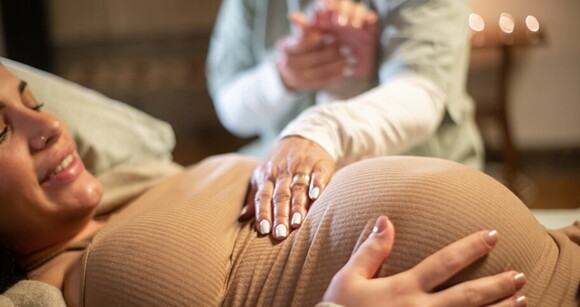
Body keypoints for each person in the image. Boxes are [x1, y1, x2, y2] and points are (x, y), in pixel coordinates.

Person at [0, 62, 578, 306]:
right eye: (1, 131)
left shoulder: (140, 177)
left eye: (37, 102)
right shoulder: (40, 294)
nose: (50, 126)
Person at [207, 0, 486, 240]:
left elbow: (421, 94)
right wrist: (282, 78)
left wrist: (319, 129)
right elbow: (230, 107)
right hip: (273, 157)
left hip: (417, 165)